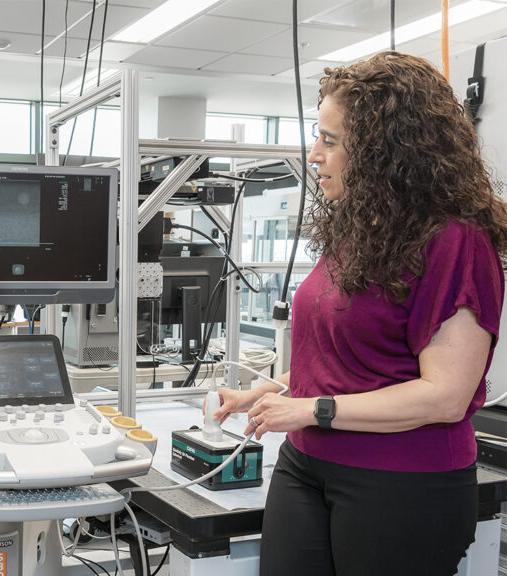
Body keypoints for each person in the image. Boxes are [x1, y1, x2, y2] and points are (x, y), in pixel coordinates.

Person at [210, 51, 507, 575]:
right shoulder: (362, 230)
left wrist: (309, 408)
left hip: (402, 481)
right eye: (316, 135)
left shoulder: (455, 241)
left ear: (385, 152)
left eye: (331, 140)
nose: (314, 154)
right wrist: (279, 387)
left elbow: (445, 396)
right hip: (308, 465)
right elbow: (353, 358)